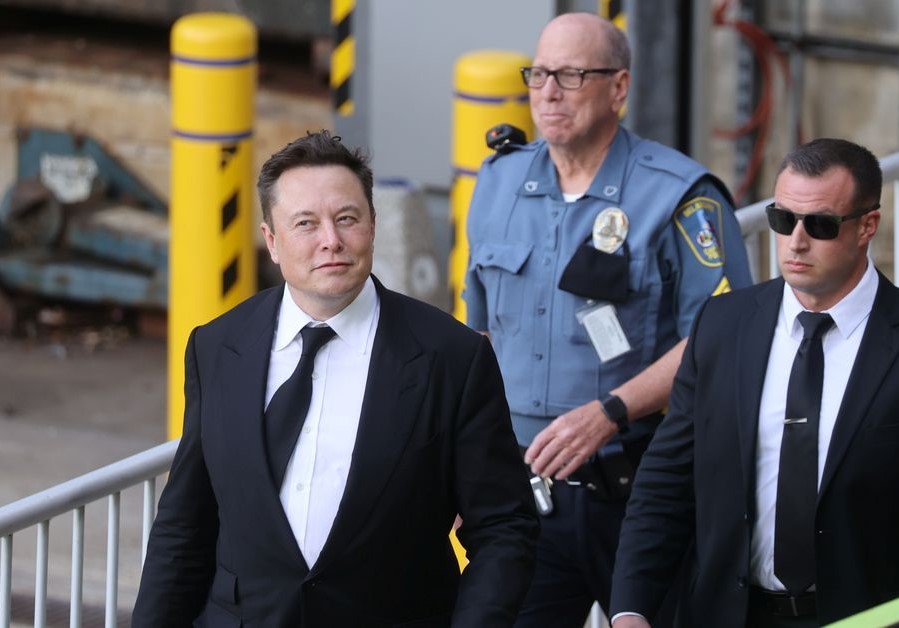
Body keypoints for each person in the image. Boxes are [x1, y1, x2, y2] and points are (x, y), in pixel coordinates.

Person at [132, 131, 539, 628]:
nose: (331, 240)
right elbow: (185, 525)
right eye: (306, 223)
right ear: (272, 241)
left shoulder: (452, 357)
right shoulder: (217, 346)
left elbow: (503, 527)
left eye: (347, 218)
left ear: (372, 226)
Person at [463, 11, 752, 627]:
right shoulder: (499, 181)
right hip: (525, 493)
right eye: (539, 74)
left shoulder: (679, 194)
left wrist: (610, 412)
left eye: (571, 75)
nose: (548, 93)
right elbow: (478, 337)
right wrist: (465, 463)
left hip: (641, 492)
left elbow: (723, 338)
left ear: (619, 87)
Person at [610, 138, 899, 627]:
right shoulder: (723, 325)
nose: (796, 242)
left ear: (867, 226)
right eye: (782, 219)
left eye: (821, 225)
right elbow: (666, 482)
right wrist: (629, 608)